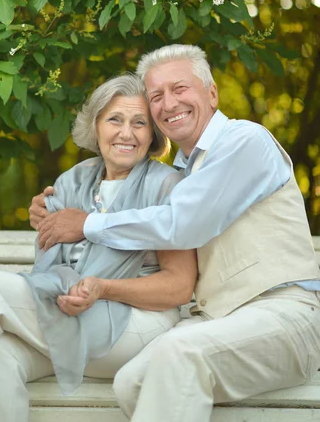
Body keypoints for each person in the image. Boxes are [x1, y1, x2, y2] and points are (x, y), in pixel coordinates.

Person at [30, 44, 320, 422]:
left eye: (180, 88)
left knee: (177, 354)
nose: (168, 103)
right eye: (156, 96)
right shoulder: (182, 175)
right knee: (131, 381)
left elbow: (182, 224)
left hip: (284, 314)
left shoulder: (244, 141)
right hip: (215, 322)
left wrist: (85, 223)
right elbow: (128, 205)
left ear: (212, 93)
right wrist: (51, 210)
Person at [0, 73, 197, 422]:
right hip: (72, 311)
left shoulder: (167, 186)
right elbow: (47, 267)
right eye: (115, 119)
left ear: (153, 133)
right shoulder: (74, 181)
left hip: (137, 326)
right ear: (95, 126)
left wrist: (102, 288)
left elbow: (179, 286)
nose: (127, 133)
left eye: (139, 123)